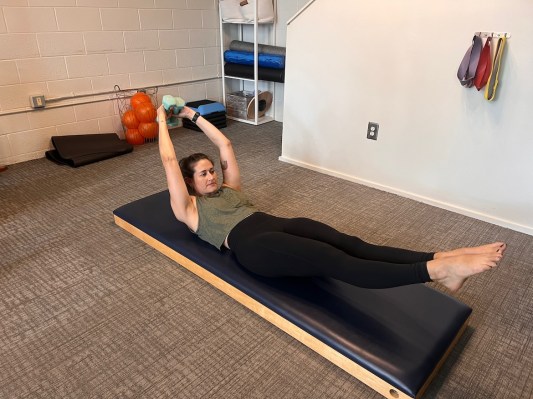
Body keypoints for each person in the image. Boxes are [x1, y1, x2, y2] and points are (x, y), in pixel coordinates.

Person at [156, 104, 505, 292]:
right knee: (333, 260)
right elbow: (169, 162)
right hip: (255, 248)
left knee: (350, 243)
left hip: (278, 225)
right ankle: (438, 271)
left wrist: (192, 115)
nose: (212, 175)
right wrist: (161, 120)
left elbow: (226, 145)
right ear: (190, 184)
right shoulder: (191, 209)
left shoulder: (230, 189)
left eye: (211, 170)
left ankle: (443, 256)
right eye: (202, 174)